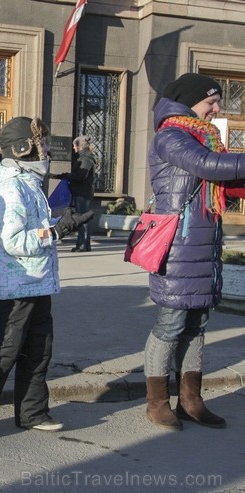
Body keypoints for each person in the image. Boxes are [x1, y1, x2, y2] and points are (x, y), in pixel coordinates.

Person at [0, 117, 93, 440]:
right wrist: (57, 231)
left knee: (38, 349)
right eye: (41, 143)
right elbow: (13, 241)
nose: (46, 149)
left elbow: (33, 229)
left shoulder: (27, 182)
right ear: (23, 149)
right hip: (15, 286)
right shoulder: (12, 186)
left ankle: (32, 412)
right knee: (4, 351)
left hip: (36, 282)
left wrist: (60, 222)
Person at [143, 72, 245, 431]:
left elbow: (222, 180)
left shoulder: (204, 138)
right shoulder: (171, 136)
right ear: (189, 101)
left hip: (203, 243)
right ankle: (157, 402)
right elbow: (208, 166)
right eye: (211, 102)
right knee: (170, 324)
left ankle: (191, 400)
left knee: (197, 325)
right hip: (177, 248)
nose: (216, 109)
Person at [55, 135, 96, 252]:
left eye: (74, 145)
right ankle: (82, 244)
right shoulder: (83, 157)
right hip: (81, 191)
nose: (73, 148)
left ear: (79, 146)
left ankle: (84, 245)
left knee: (83, 218)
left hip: (83, 192)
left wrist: (67, 176)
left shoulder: (86, 158)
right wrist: (63, 176)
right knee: (82, 218)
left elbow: (81, 176)